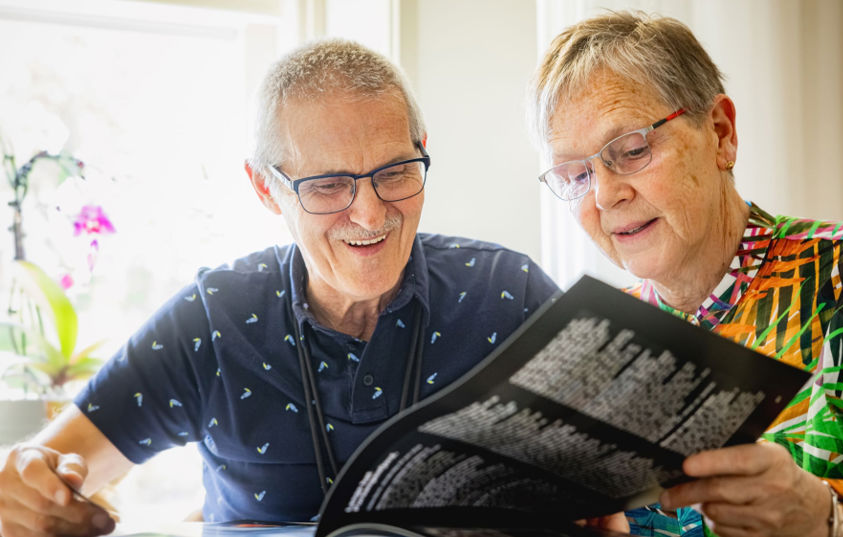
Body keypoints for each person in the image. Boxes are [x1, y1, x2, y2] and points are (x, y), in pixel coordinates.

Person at [0, 39, 559, 537]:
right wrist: (26, 495)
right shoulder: (212, 318)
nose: (369, 214)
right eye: (328, 185)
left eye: (394, 172)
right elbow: (43, 476)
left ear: (423, 148)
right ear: (266, 188)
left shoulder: (507, 290)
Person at [529, 11, 843, 537]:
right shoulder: (601, 340)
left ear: (721, 133)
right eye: (576, 174)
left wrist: (827, 519)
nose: (604, 195)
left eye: (632, 151)